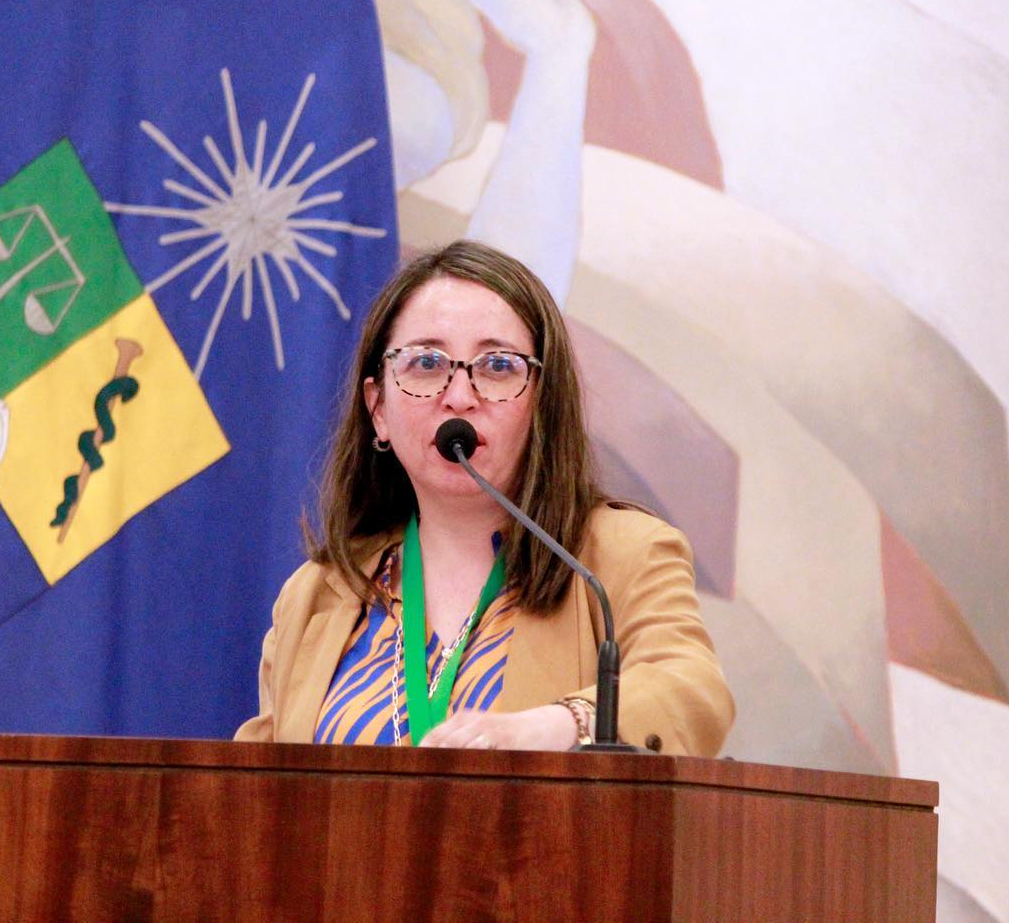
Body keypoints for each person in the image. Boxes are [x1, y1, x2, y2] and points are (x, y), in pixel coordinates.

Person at [235, 240, 733, 753]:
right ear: (378, 408)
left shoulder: (620, 555)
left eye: (497, 366)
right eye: (426, 363)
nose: (459, 396)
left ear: (541, 404)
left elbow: (691, 690)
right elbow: (252, 786)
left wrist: (557, 726)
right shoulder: (318, 592)